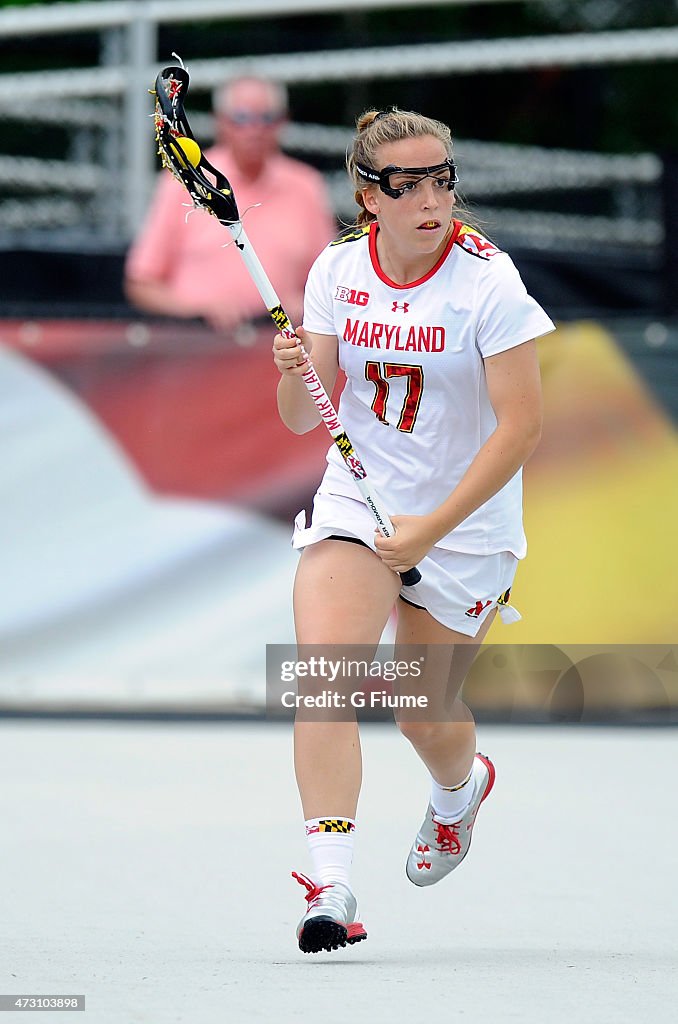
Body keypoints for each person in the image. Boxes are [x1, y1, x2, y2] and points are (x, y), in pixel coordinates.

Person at [272, 106, 555, 954]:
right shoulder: (335, 271)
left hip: (463, 522)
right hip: (359, 503)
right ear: (368, 196)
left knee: (420, 711)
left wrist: (430, 530)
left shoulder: (488, 284)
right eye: (408, 184)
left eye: (443, 179)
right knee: (326, 677)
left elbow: (521, 429)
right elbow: (302, 418)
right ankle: (332, 884)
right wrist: (290, 369)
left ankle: (457, 792)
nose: (432, 198)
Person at [125, 75, 336, 333]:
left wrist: (306, 304)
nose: (255, 129)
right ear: (220, 121)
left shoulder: (306, 187)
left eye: (266, 118)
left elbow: (332, 285)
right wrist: (198, 310)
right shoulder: (182, 181)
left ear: (283, 121)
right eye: (242, 118)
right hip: (196, 346)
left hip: (281, 348)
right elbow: (142, 283)